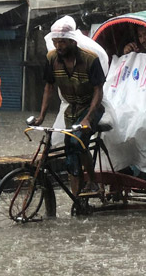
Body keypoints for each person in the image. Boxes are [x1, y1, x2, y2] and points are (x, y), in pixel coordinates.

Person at [31, 22, 107, 196]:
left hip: (91, 107)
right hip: (71, 109)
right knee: (69, 152)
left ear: (73, 41)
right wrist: (41, 116)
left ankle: (93, 182)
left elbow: (98, 90)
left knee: (77, 142)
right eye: (56, 42)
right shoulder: (51, 59)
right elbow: (49, 87)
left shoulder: (90, 59)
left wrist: (88, 117)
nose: (59, 46)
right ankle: (77, 198)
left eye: (63, 42)